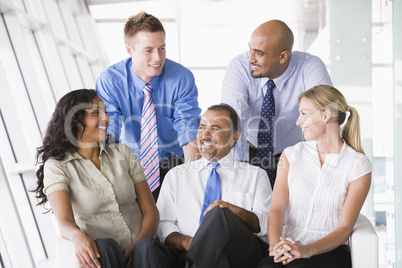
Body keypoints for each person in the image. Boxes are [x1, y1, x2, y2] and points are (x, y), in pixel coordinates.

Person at [32, 89, 169, 268]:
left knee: (147, 246)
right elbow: (65, 221)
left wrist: (137, 244)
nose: (106, 118)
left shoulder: (123, 153)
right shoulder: (58, 166)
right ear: (75, 120)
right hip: (103, 256)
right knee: (104, 246)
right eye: (96, 113)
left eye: (105, 111)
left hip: (143, 250)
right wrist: (77, 236)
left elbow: (150, 210)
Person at [258, 85, 372, 268]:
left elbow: (344, 229)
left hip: (329, 251)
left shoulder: (358, 165)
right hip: (287, 244)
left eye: (303, 113)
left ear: (325, 115)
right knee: (267, 266)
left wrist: (306, 250)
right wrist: (275, 248)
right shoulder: (290, 154)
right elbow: (277, 209)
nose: (298, 121)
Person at [96, 11, 201, 200]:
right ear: (129, 50)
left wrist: (195, 179)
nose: (158, 57)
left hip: (174, 162)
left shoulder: (181, 78)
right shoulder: (110, 81)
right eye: (149, 50)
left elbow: (188, 127)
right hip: (132, 164)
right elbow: (108, 132)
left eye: (162, 48)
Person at [156, 104, 272, 268]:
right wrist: (187, 242)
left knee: (220, 212)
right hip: (187, 252)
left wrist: (233, 210)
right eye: (202, 127)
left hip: (240, 253)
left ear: (233, 137)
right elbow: (163, 223)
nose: (205, 135)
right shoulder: (176, 175)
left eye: (214, 129)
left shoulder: (256, 175)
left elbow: (267, 225)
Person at [221, 19, 333, 187]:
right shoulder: (239, 68)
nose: (250, 59)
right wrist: (240, 175)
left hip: (295, 152)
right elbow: (235, 124)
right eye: (250, 49)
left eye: (259, 53)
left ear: (283, 56)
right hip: (249, 150)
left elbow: (324, 117)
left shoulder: (310, 67)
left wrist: (321, 168)